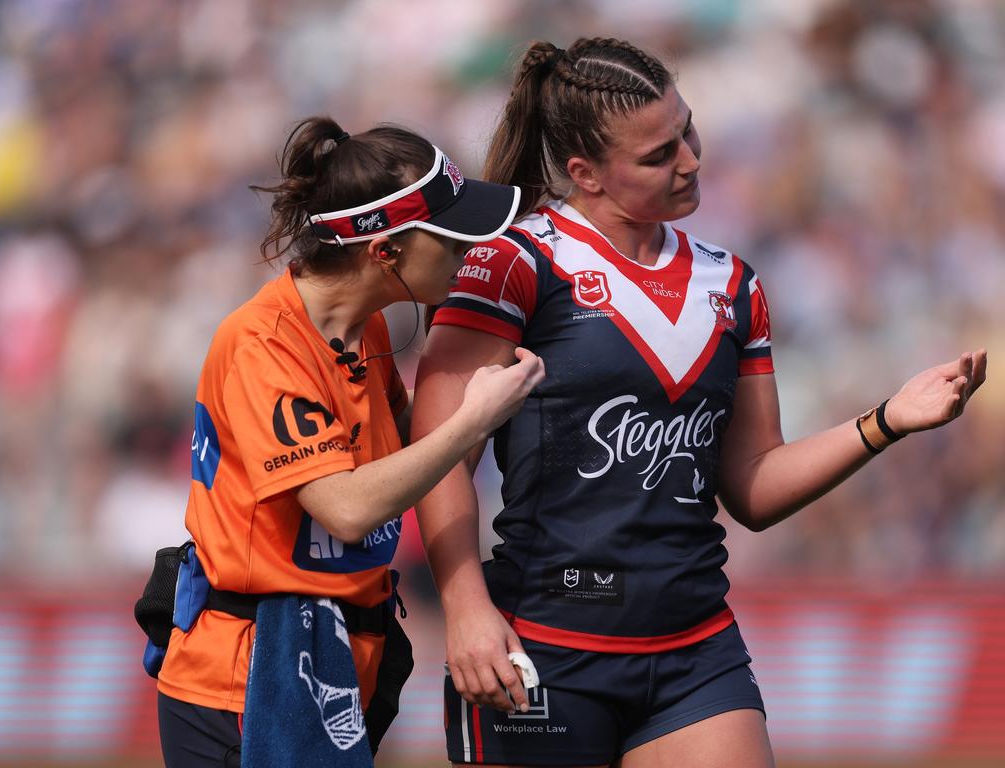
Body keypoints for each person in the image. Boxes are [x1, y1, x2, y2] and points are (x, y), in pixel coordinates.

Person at [411, 38, 987, 768]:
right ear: (584, 174)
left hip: (694, 650)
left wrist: (884, 423)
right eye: (658, 155)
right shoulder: (516, 263)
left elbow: (750, 485)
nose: (689, 159)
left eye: (687, 131)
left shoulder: (732, 283)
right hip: (543, 646)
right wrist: (464, 611)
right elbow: (436, 457)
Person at [153, 116, 545, 768]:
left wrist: (496, 385)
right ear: (384, 251)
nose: (466, 254)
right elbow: (347, 507)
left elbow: (400, 437)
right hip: (242, 680)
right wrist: (472, 418)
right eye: (449, 241)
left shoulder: (367, 331)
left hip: (333, 666)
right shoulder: (262, 343)